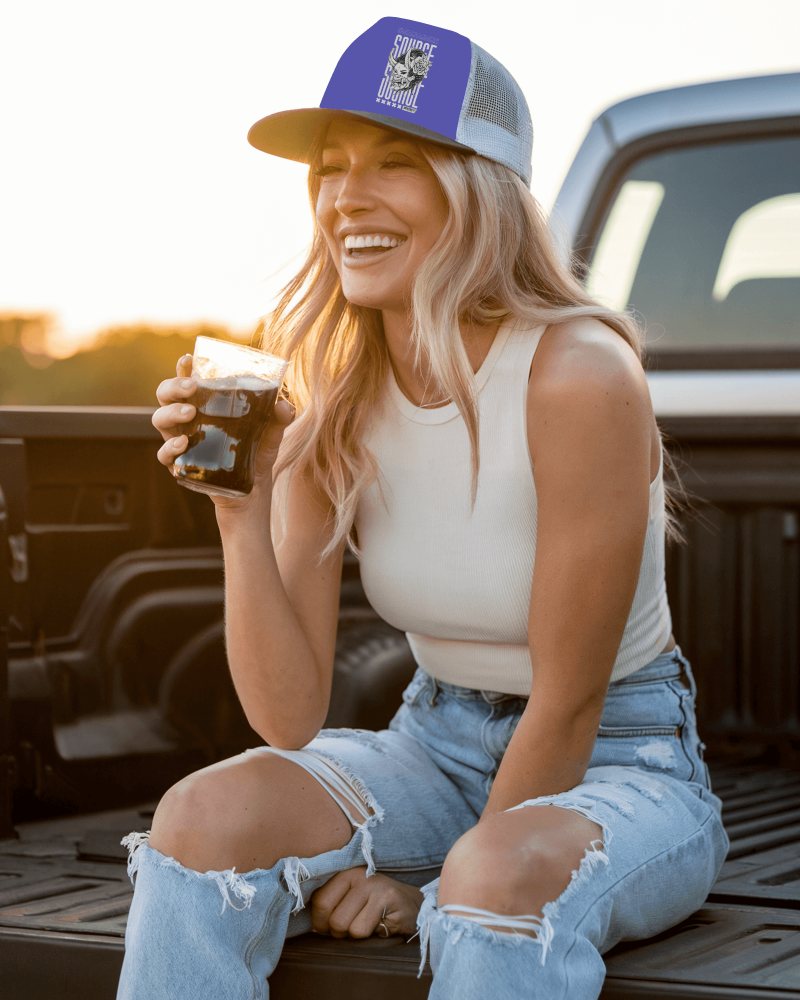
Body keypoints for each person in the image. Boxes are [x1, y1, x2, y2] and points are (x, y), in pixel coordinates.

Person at [117, 15, 729, 1000]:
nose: (345, 198)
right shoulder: (330, 389)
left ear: (478, 187)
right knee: (196, 819)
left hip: (619, 757)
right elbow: (285, 715)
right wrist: (242, 503)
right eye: (329, 168)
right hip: (428, 740)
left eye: (393, 162)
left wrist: (432, 885)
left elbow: (567, 701)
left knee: (489, 880)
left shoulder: (576, 373)